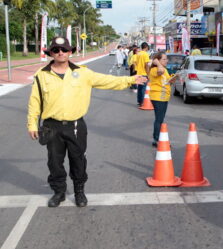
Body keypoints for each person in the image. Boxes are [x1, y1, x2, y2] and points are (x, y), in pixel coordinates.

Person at [27, 37, 147, 208]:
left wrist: (130, 80)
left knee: (78, 160)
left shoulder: (83, 73)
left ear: (70, 52)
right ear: (51, 53)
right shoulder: (42, 75)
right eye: (56, 50)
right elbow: (34, 101)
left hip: (75, 125)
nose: (60, 53)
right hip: (51, 126)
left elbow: (107, 81)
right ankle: (59, 192)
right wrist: (32, 124)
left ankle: (79, 191)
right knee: (54, 162)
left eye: (64, 49)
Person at [148, 52, 172, 147]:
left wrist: (173, 79)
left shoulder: (164, 69)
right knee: (159, 119)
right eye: (164, 59)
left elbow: (166, 80)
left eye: (166, 59)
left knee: (161, 119)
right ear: (158, 60)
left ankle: (157, 139)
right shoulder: (154, 69)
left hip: (164, 96)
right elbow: (160, 72)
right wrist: (157, 63)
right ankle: (156, 139)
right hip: (158, 97)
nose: (167, 61)